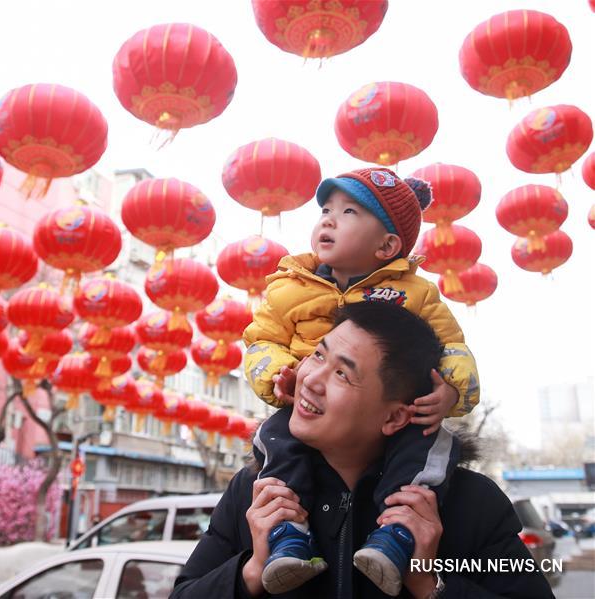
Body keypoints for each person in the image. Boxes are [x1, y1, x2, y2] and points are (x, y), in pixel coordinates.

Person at [171, 303, 554, 599]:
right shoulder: (256, 490)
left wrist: (430, 583)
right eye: (319, 356)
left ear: (395, 416)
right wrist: (252, 571)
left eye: (342, 374)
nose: (311, 380)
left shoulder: (469, 503)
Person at [242, 168, 479, 595]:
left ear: (387, 245)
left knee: (430, 440)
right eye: (326, 209)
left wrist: (452, 390)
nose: (328, 220)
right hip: (298, 413)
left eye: (349, 211)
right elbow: (261, 341)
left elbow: (452, 347)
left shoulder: (416, 294)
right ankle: (285, 537)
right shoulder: (287, 288)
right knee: (275, 442)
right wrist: (277, 375)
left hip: (403, 420)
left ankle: (398, 535)